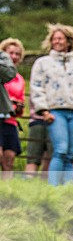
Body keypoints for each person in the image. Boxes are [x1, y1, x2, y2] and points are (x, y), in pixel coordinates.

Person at [29, 23, 73, 186]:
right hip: (55, 112)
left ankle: (67, 189)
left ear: (69, 41)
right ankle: (53, 187)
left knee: (70, 154)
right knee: (60, 150)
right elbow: (37, 87)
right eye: (54, 39)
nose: (57, 41)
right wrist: (44, 110)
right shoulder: (42, 63)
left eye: (60, 38)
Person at [0, 38, 25, 180]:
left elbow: (20, 101)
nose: (13, 57)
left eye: (17, 54)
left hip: (11, 120)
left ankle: (6, 193)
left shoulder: (20, 79)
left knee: (9, 159)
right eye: (11, 53)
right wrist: (10, 101)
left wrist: (19, 106)